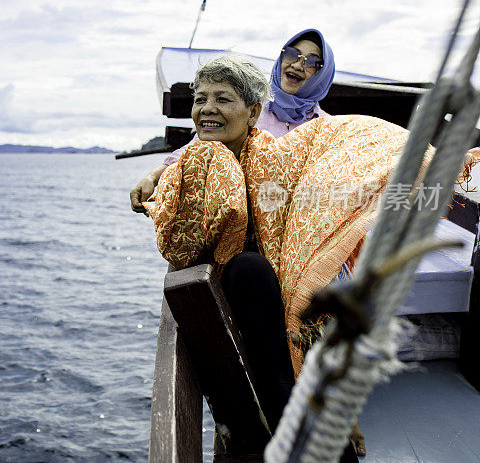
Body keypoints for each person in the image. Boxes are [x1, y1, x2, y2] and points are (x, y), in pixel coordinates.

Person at [142, 53, 414, 461]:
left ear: (253, 112)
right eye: (200, 99)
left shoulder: (275, 156)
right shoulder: (197, 161)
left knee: (293, 297)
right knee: (251, 271)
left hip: (276, 304)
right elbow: (182, 238)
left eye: (222, 99)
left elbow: (341, 144)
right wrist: (160, 176)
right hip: (246, 299)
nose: (207, 109)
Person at [131, 28, 334, 214]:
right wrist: (152, 178)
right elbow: (195, 150)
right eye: (291, 54)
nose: (298, 65)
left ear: (322, 74)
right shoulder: (250, 111)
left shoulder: (327, 128)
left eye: (312, 62)